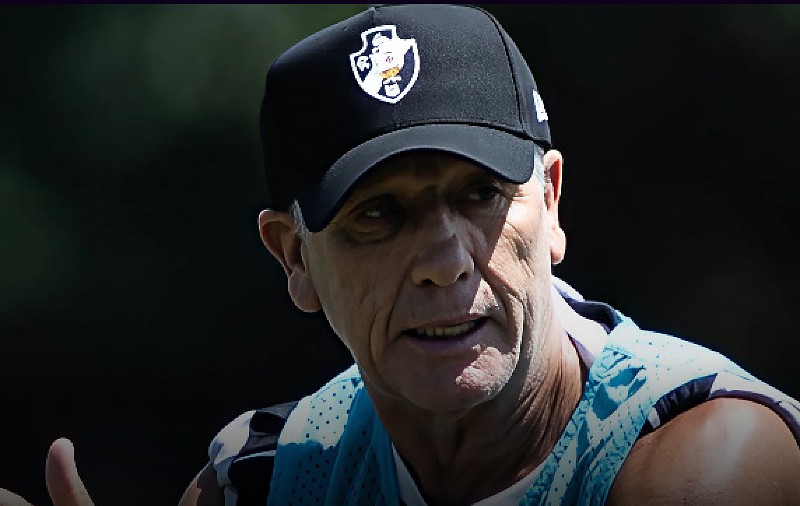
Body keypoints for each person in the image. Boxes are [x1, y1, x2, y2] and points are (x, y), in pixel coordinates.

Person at [2, 5, 798, 506]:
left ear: (551, 202)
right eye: (379, 215)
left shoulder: (710, 461)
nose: (445, 261)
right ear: (294, 258)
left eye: (480, 194)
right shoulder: (265, 478)